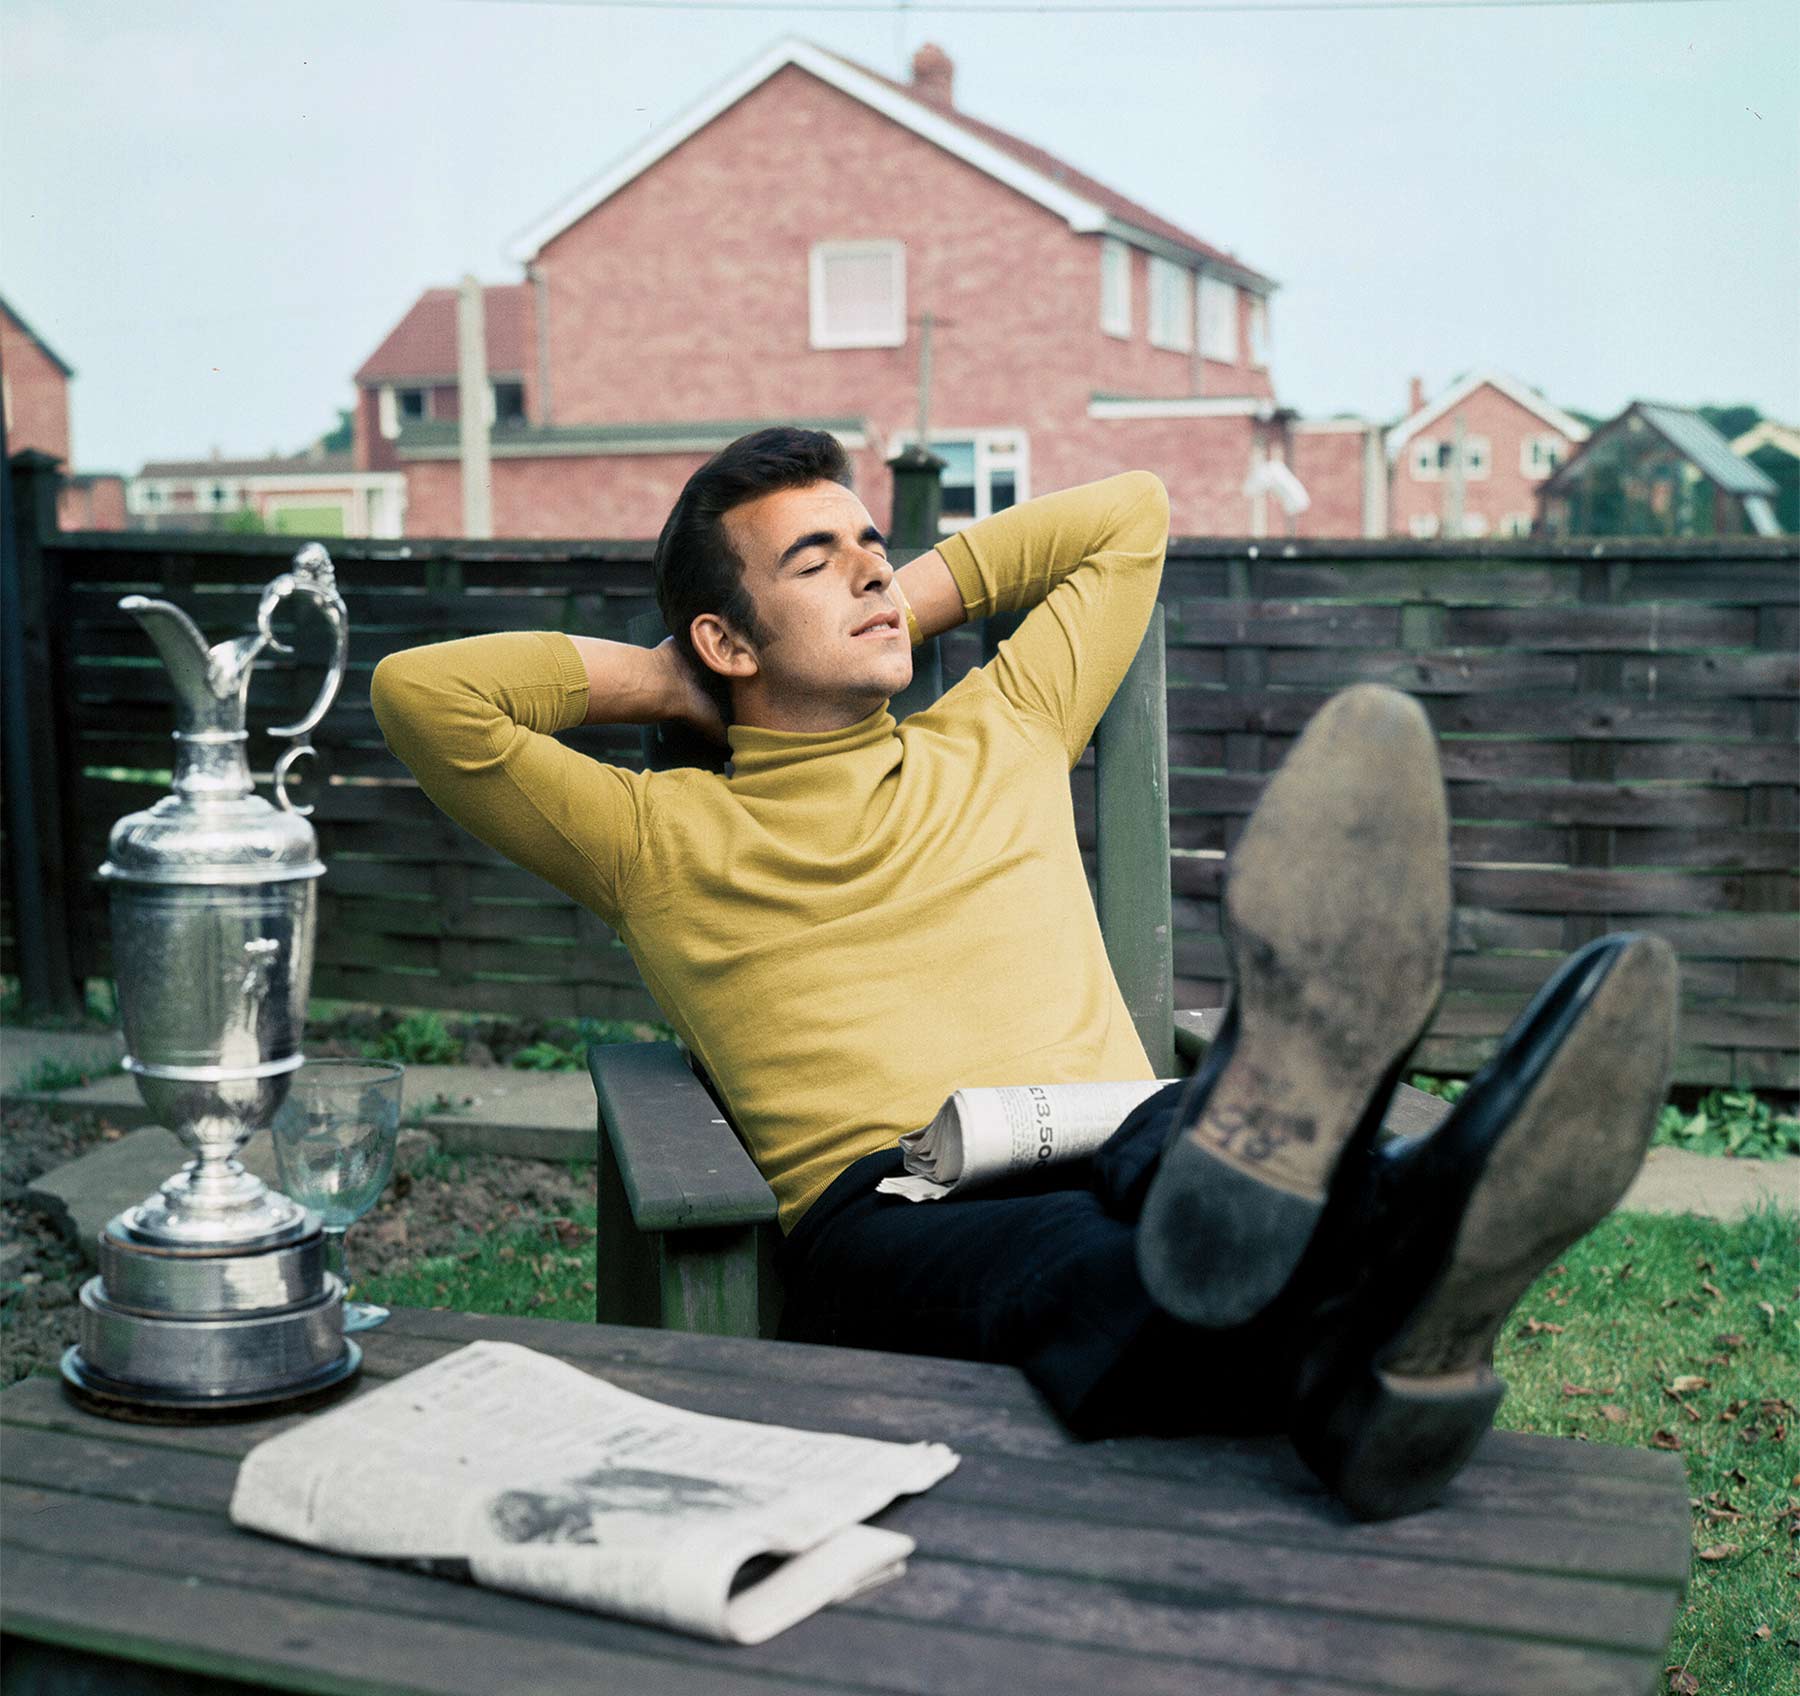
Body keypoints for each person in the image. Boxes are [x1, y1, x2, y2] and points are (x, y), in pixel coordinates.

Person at [371, 427, 1676, 1521]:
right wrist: (672, 677)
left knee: (1185, 1141)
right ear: (729, 637)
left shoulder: (1004, 725)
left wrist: (890, 601)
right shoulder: (653, 836)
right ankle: (1414, 1242)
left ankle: (1359, 1272)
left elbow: (1130, 515)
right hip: (900, 1203)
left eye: (874, 545)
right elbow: (425, 697)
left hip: (1120, 1127)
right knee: (1079, 1263)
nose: (874, 570)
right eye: (817, 562)